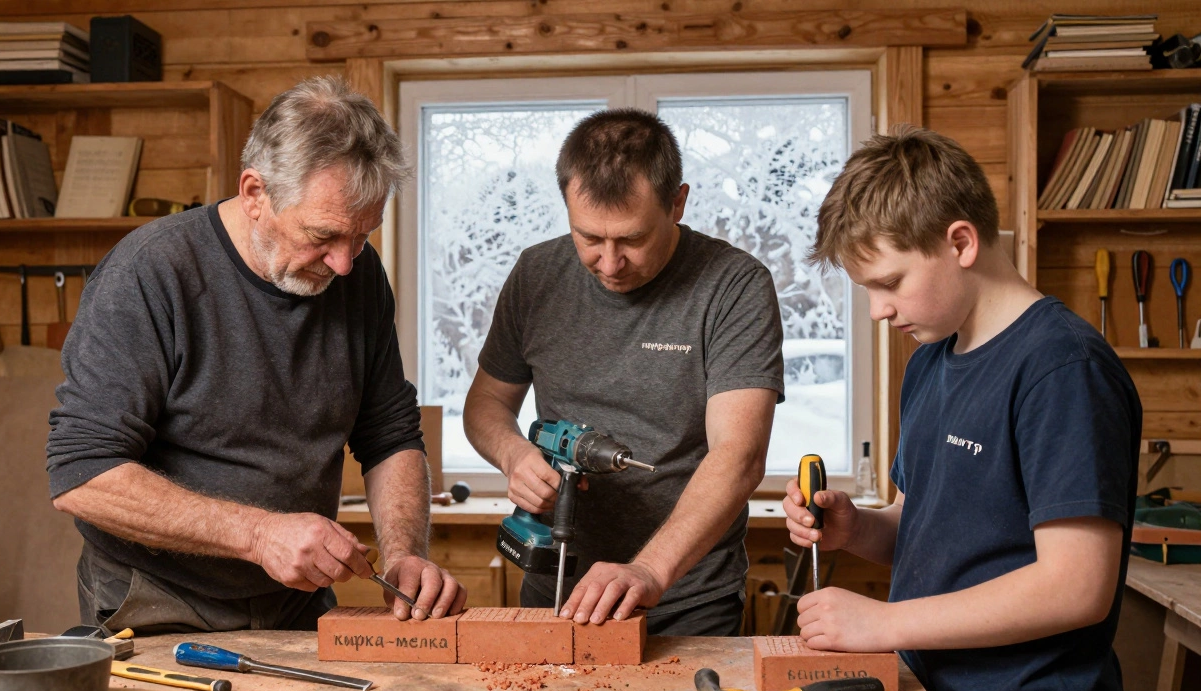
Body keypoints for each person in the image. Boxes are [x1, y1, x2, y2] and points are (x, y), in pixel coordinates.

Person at [46, 76, 466, 633]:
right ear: (254, 194)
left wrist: (406, 553)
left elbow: (389, 435)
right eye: (323, 235)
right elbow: (83, 473)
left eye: (362, 236)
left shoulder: (358, 275)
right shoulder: (150, 273)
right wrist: (259, 534)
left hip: (294, 601)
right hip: (156, 600)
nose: (344, 263)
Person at [785, 126, 1141, 691]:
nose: (878, 311)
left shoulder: (1061, 368)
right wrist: (856, 529)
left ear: (961, 243)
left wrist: (885, 622)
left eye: (890, 283)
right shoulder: (930, 363)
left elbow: (1077, 588)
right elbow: (931, 530)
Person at [464, 108, 784, 636]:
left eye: (632, 240)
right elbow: (486, 406)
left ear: (677, 202)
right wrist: (514, 454)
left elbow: (740, 455)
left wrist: (649, 569)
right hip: (556, 588)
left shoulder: (734, 286)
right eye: (589, 238)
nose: (609, 264)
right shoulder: (535, 275)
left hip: (685, 599)